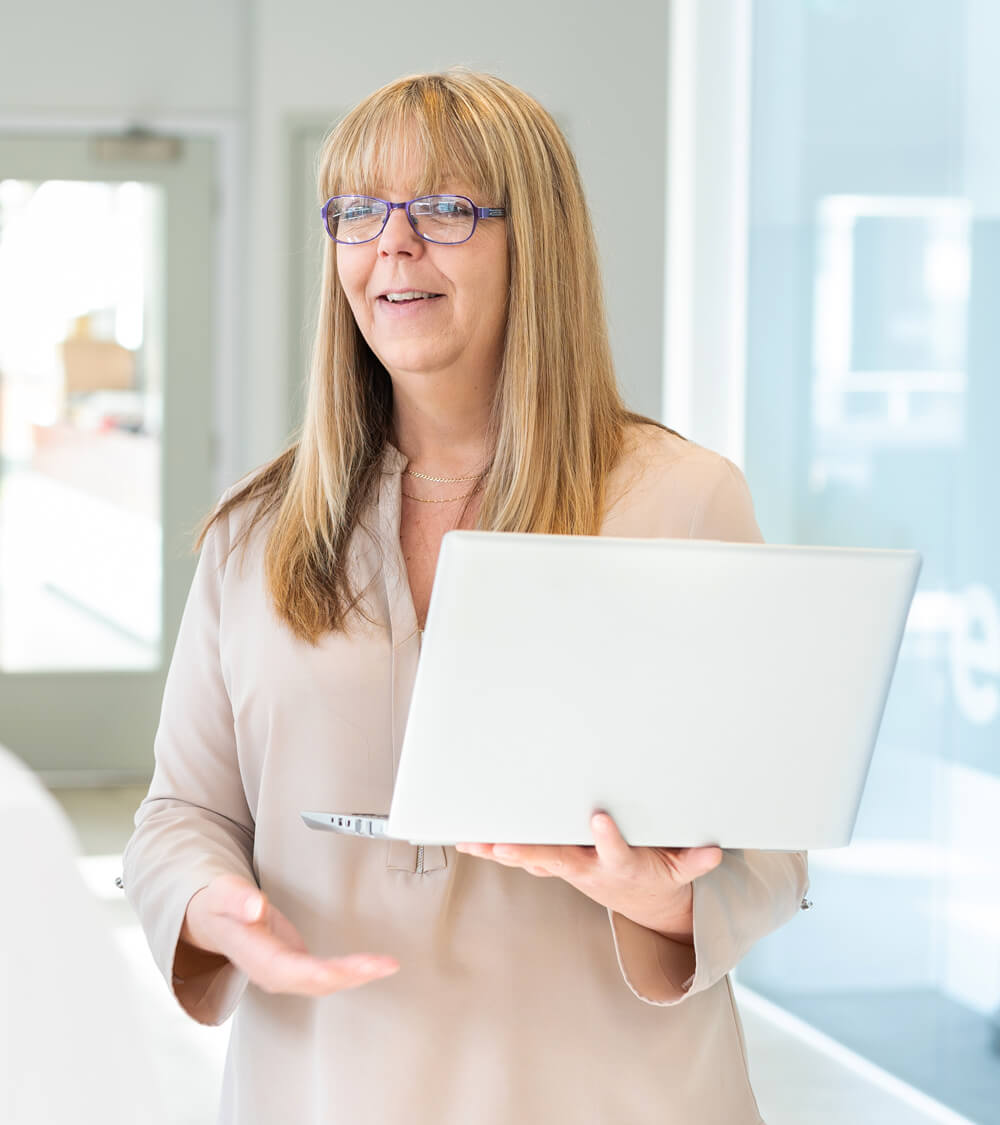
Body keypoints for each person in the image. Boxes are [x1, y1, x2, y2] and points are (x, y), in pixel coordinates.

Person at [122, 67, 810, 1125]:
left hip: (607, 1092)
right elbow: (182, 814)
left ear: (533, 241)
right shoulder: (254, 532)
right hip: (323, 1087)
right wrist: (218, 908)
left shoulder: (677, 500)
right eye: (357, 211)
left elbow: (767, 855)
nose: (391, 242)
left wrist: (661, 900)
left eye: (444, 207)